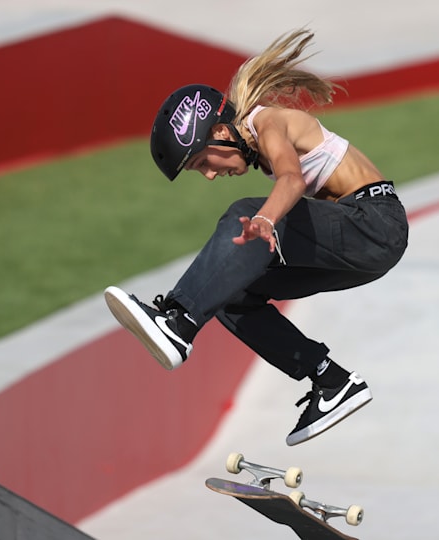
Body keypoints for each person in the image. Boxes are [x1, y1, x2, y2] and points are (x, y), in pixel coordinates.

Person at [104, 28, 408, 446]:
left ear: (222, 133)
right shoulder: (250, 137)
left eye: (202, 162)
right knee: (232, 295)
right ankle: (331, 381)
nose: (210, 175)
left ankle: (177, 320)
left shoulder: (266, 123)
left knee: (245, 214)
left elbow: (291, 178)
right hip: (356, 242)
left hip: (374, 222)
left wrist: (264, 218)